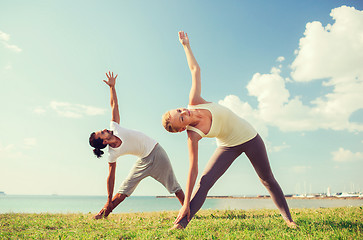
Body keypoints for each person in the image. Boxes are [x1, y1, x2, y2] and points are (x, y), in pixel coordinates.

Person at [162, 31, 297, 229]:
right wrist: (185, 203)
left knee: (267, 180)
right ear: (182, 128)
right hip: (228, 146)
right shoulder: (192, 135)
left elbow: (195, 69)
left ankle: (289, 220)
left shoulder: (195, 102)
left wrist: (185, 46)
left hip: (249, 137)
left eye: (179, 110)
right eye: (181, 117)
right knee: (205, 181)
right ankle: (181, 223)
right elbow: (193, 170)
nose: (184, 112)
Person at [89, 71, 185, 219]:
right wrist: (108, 200)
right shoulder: (112, 154)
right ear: (104, 141)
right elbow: (111, 176)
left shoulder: (115, 127)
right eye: (101, 133)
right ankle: (102, 214)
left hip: (156, 151)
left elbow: (114, 104)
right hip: (143, 161)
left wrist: (112, 87)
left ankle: (188, 210)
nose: (104, 129)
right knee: (123, 191)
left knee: (174, 187)